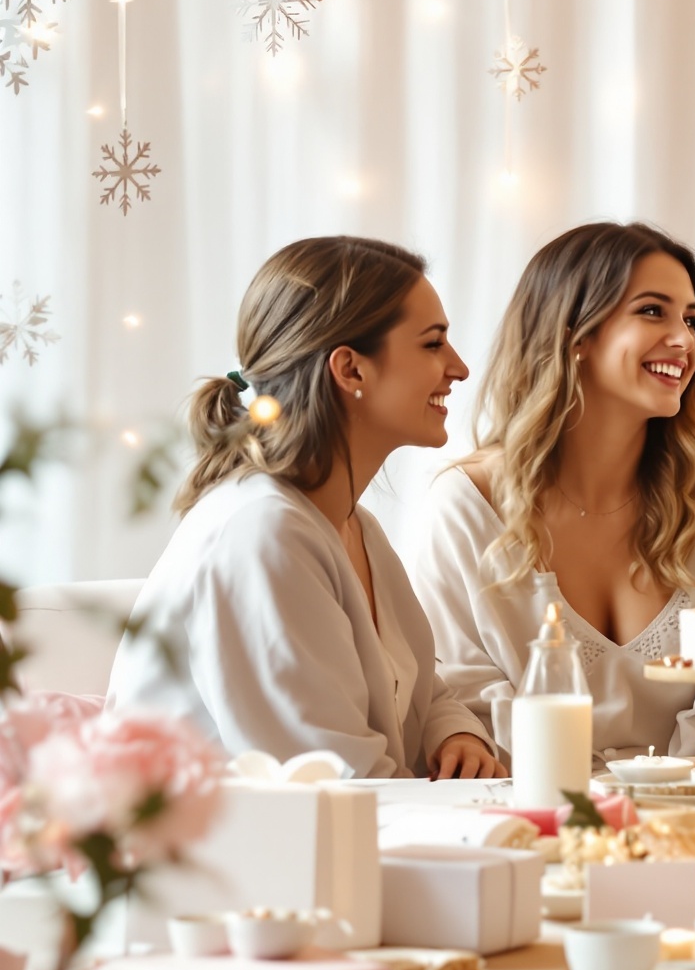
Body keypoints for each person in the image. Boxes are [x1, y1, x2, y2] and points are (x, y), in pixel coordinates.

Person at [412, 221, 695, 765]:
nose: (685, 341)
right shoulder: (467, 507)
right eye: (653, 311)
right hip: (532, 824)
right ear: (575, 333)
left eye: (690, 319)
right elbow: (460, 706)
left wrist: (659, 807)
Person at [108, 238, 498, 780]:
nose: (459, 368)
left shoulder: (355, 527)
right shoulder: (262, 535)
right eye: (433, 345)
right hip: (232, 855)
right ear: (351, 370)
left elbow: (418, 687)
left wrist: (453, 731)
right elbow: (332, 783)